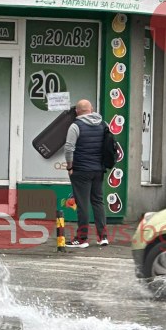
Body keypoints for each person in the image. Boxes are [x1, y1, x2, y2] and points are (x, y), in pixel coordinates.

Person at [64, 99, 108, 248]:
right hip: (98, 170)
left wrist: (70, 166)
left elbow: (69, 148)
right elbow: (109, 144)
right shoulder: (103, 124)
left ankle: (82, 239)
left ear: (77, 111)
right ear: (92, 109)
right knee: (98, 201)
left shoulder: (75, 126)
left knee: (82, 204)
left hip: (81, 170)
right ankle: (103, 237)